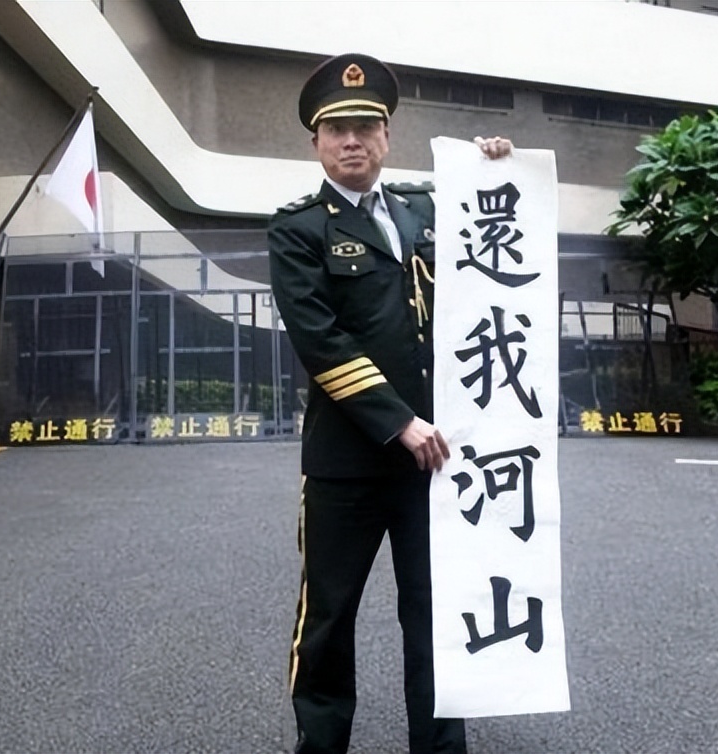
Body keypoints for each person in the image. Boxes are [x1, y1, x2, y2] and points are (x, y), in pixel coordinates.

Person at [268, 52, 512, 754]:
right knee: (329, 619)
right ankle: (321, 746)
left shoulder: (429, 209)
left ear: (386, 135)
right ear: (316, 143)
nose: (353, 140)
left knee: (435, 616)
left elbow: (502, 241)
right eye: (336, 128)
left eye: (366, 126)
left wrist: (495, 167)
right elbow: (322, 340)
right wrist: (399, 421)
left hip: (433, 465)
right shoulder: (297, 230)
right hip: (347, 463)